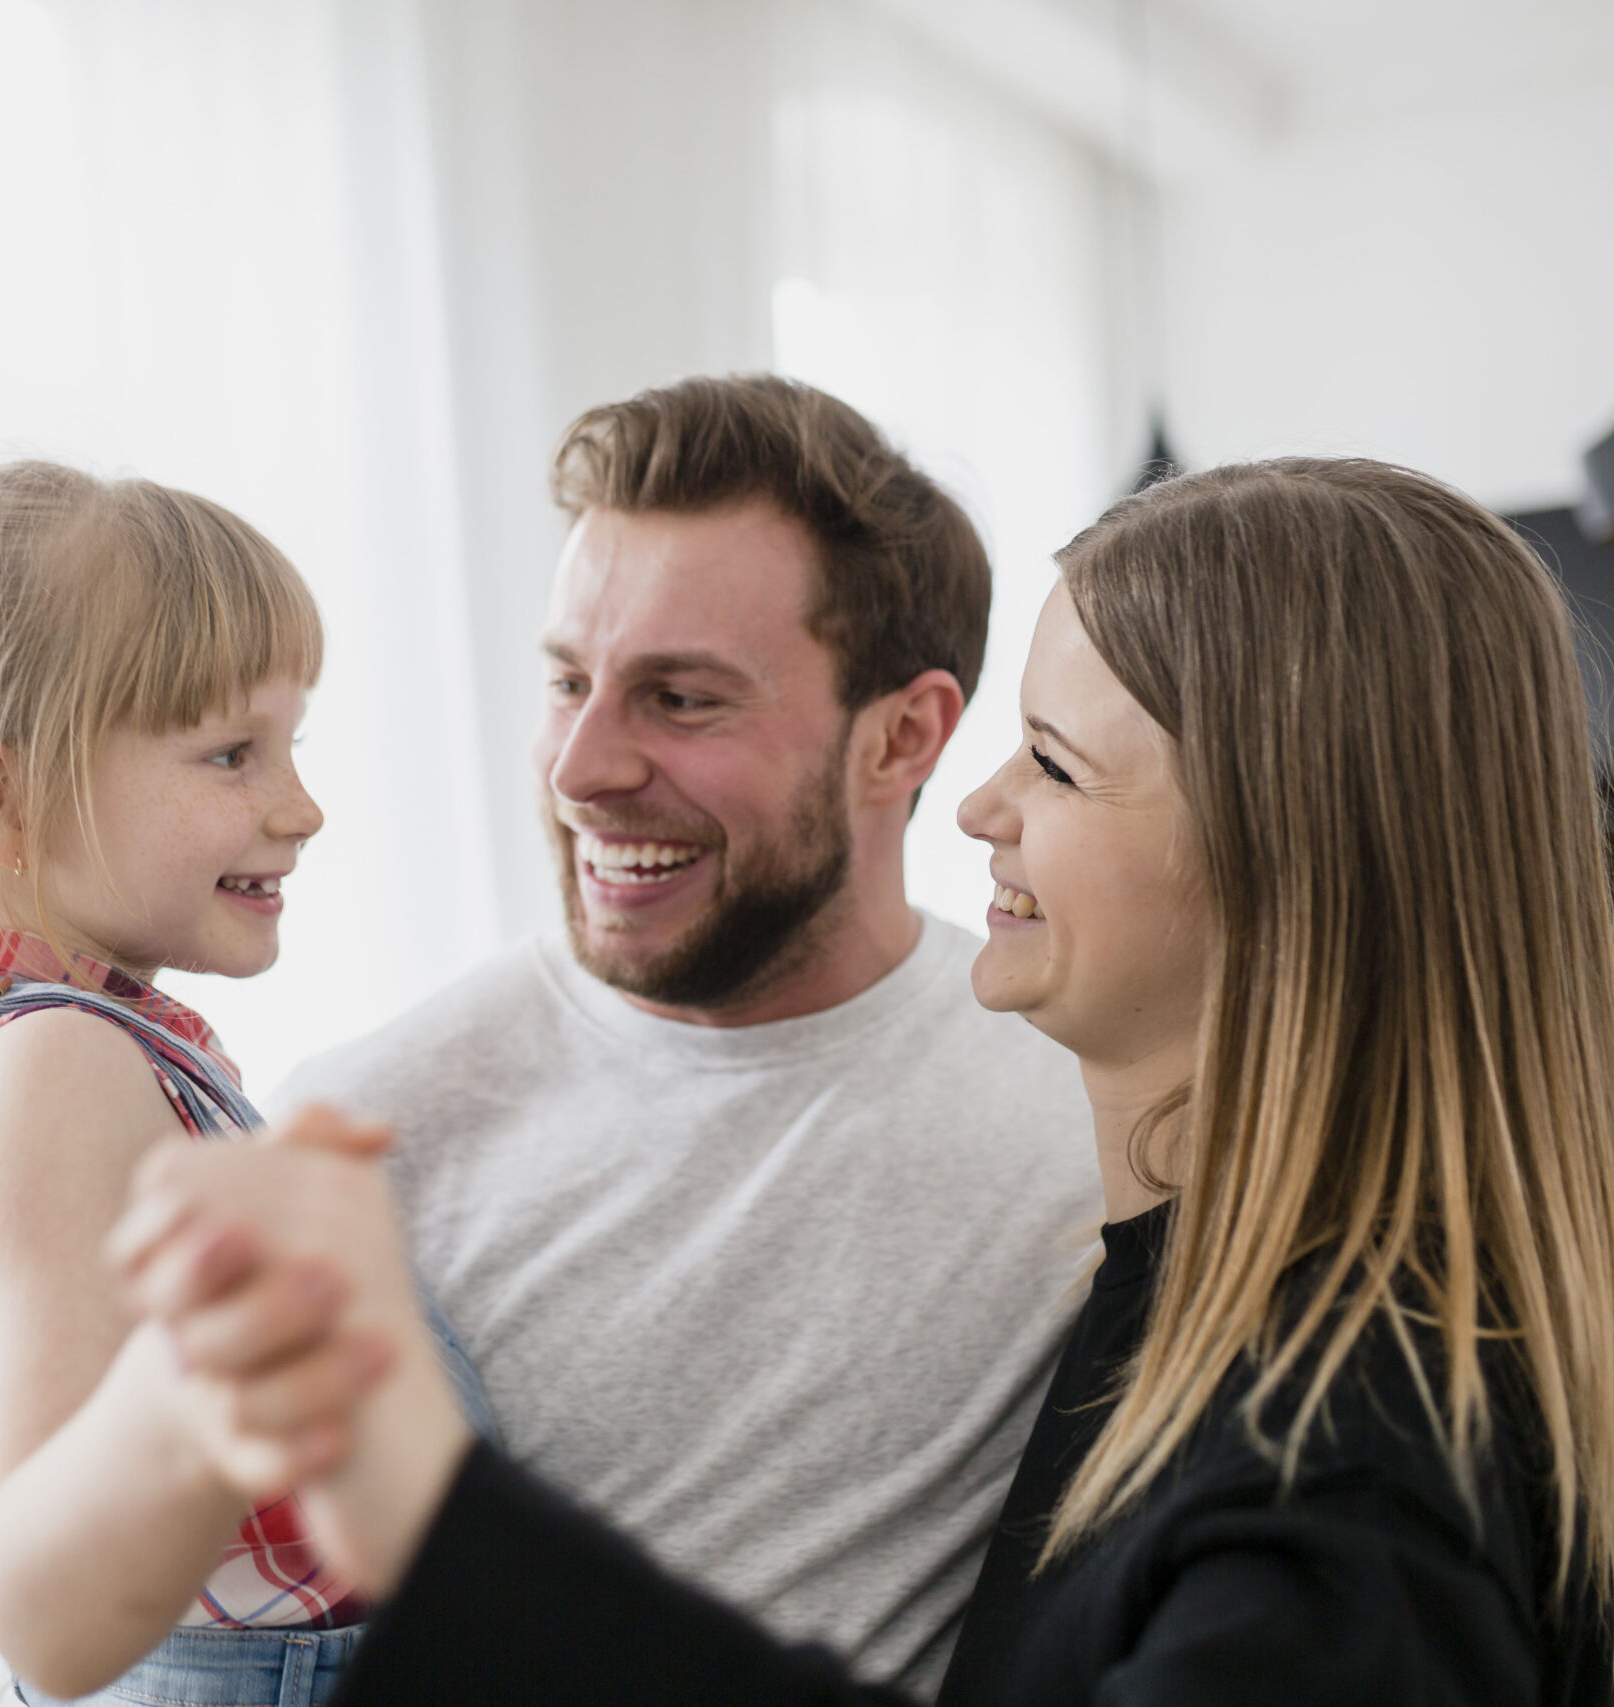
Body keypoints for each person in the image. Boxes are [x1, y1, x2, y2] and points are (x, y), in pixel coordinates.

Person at [113, 456, 1614, 1705]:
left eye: (1053, 762)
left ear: (1289, 867)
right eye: (568, 677)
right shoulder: (1179, 1291)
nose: (982, 804)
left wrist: (437, 1515)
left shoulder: (1362, 1426)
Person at [270, 375, 1101, 1695]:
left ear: (904, 734)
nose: (581, 765)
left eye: (682, 697)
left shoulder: (1090, 1114)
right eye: (567, 679)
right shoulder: (362, 1126)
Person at [0, 461, 491, 1707]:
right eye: (230, 755)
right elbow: (49, 1614)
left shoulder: (59, 1049)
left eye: (291, 746)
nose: (304, 807)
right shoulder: (49, 1067)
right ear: (1, 801)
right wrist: (237, 1358)